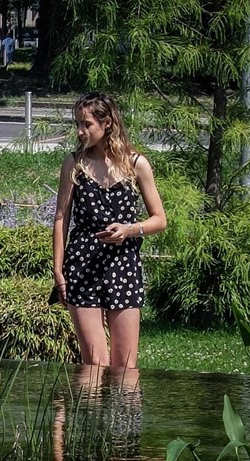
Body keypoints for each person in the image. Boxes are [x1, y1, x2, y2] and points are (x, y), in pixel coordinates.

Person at [52, 92, 166, 368]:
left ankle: (123, 412)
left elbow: (159, 219)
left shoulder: (136, 164)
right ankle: (91, 412)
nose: (80, 131)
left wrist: (129, 229)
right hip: (82, 266)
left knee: (125, 366)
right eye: (77, 123)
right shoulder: (74, 164)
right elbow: (60, 218)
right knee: (94, 363)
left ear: (108, 124)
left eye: (86, 124)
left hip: (123, 266)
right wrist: (58, 271)